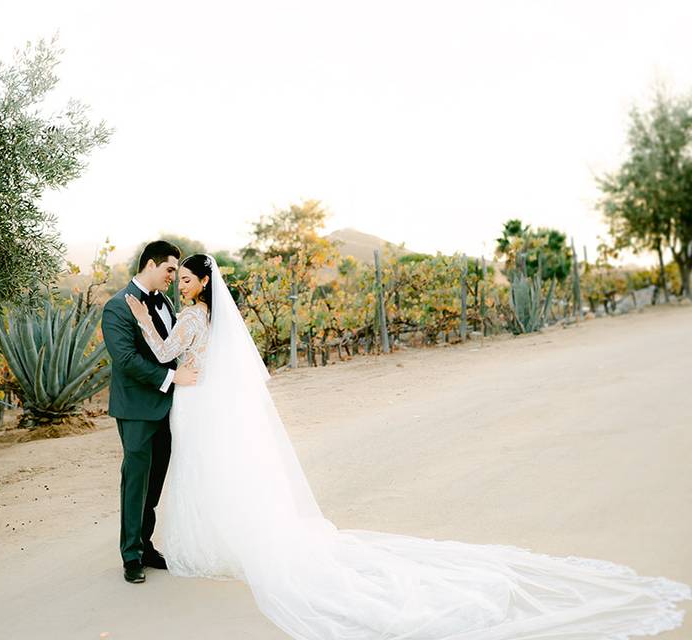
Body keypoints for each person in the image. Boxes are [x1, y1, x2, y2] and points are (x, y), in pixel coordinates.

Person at [124, 252, 690, 640]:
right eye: (178, 278)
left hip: (194, 398)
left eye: (187, 277)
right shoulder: (210, 315)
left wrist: (138, 315)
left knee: (205, 475)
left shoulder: (192, 315)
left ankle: (212, 543)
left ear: (202, 283)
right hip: (200, 399)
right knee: (214, 474)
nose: (181, 283)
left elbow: (166, 350)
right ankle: (225, 538)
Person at [100, 240, 198, 584]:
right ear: (151, 265)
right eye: (170, 269)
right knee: (135, 482)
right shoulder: (116, 308)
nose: (174, 276)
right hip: (137, 410)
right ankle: (130, 556)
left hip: (168, 408)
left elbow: (168, 349)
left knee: (154, 484)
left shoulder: (166, 303)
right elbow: (126, 360)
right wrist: (173, 378)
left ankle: (146, 544)